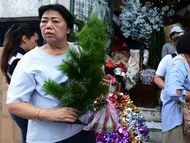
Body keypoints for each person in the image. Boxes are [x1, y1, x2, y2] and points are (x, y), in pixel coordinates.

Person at [6, 4, 111, 143]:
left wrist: (103, 86)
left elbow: (97, 83)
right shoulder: (29, 60)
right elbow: (14, 105)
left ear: (68, 28)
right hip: (47, 137)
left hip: (83, 132)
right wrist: (51, 114)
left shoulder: (83, 53)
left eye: (55, 21)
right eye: (44, 21)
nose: (48, 25)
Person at [0, 23, 38, 143]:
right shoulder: (19, 60)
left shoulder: (16, 57)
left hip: (22, 108)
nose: (36, 45)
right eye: (35, 41)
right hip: (23, 108)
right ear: (25, 39)